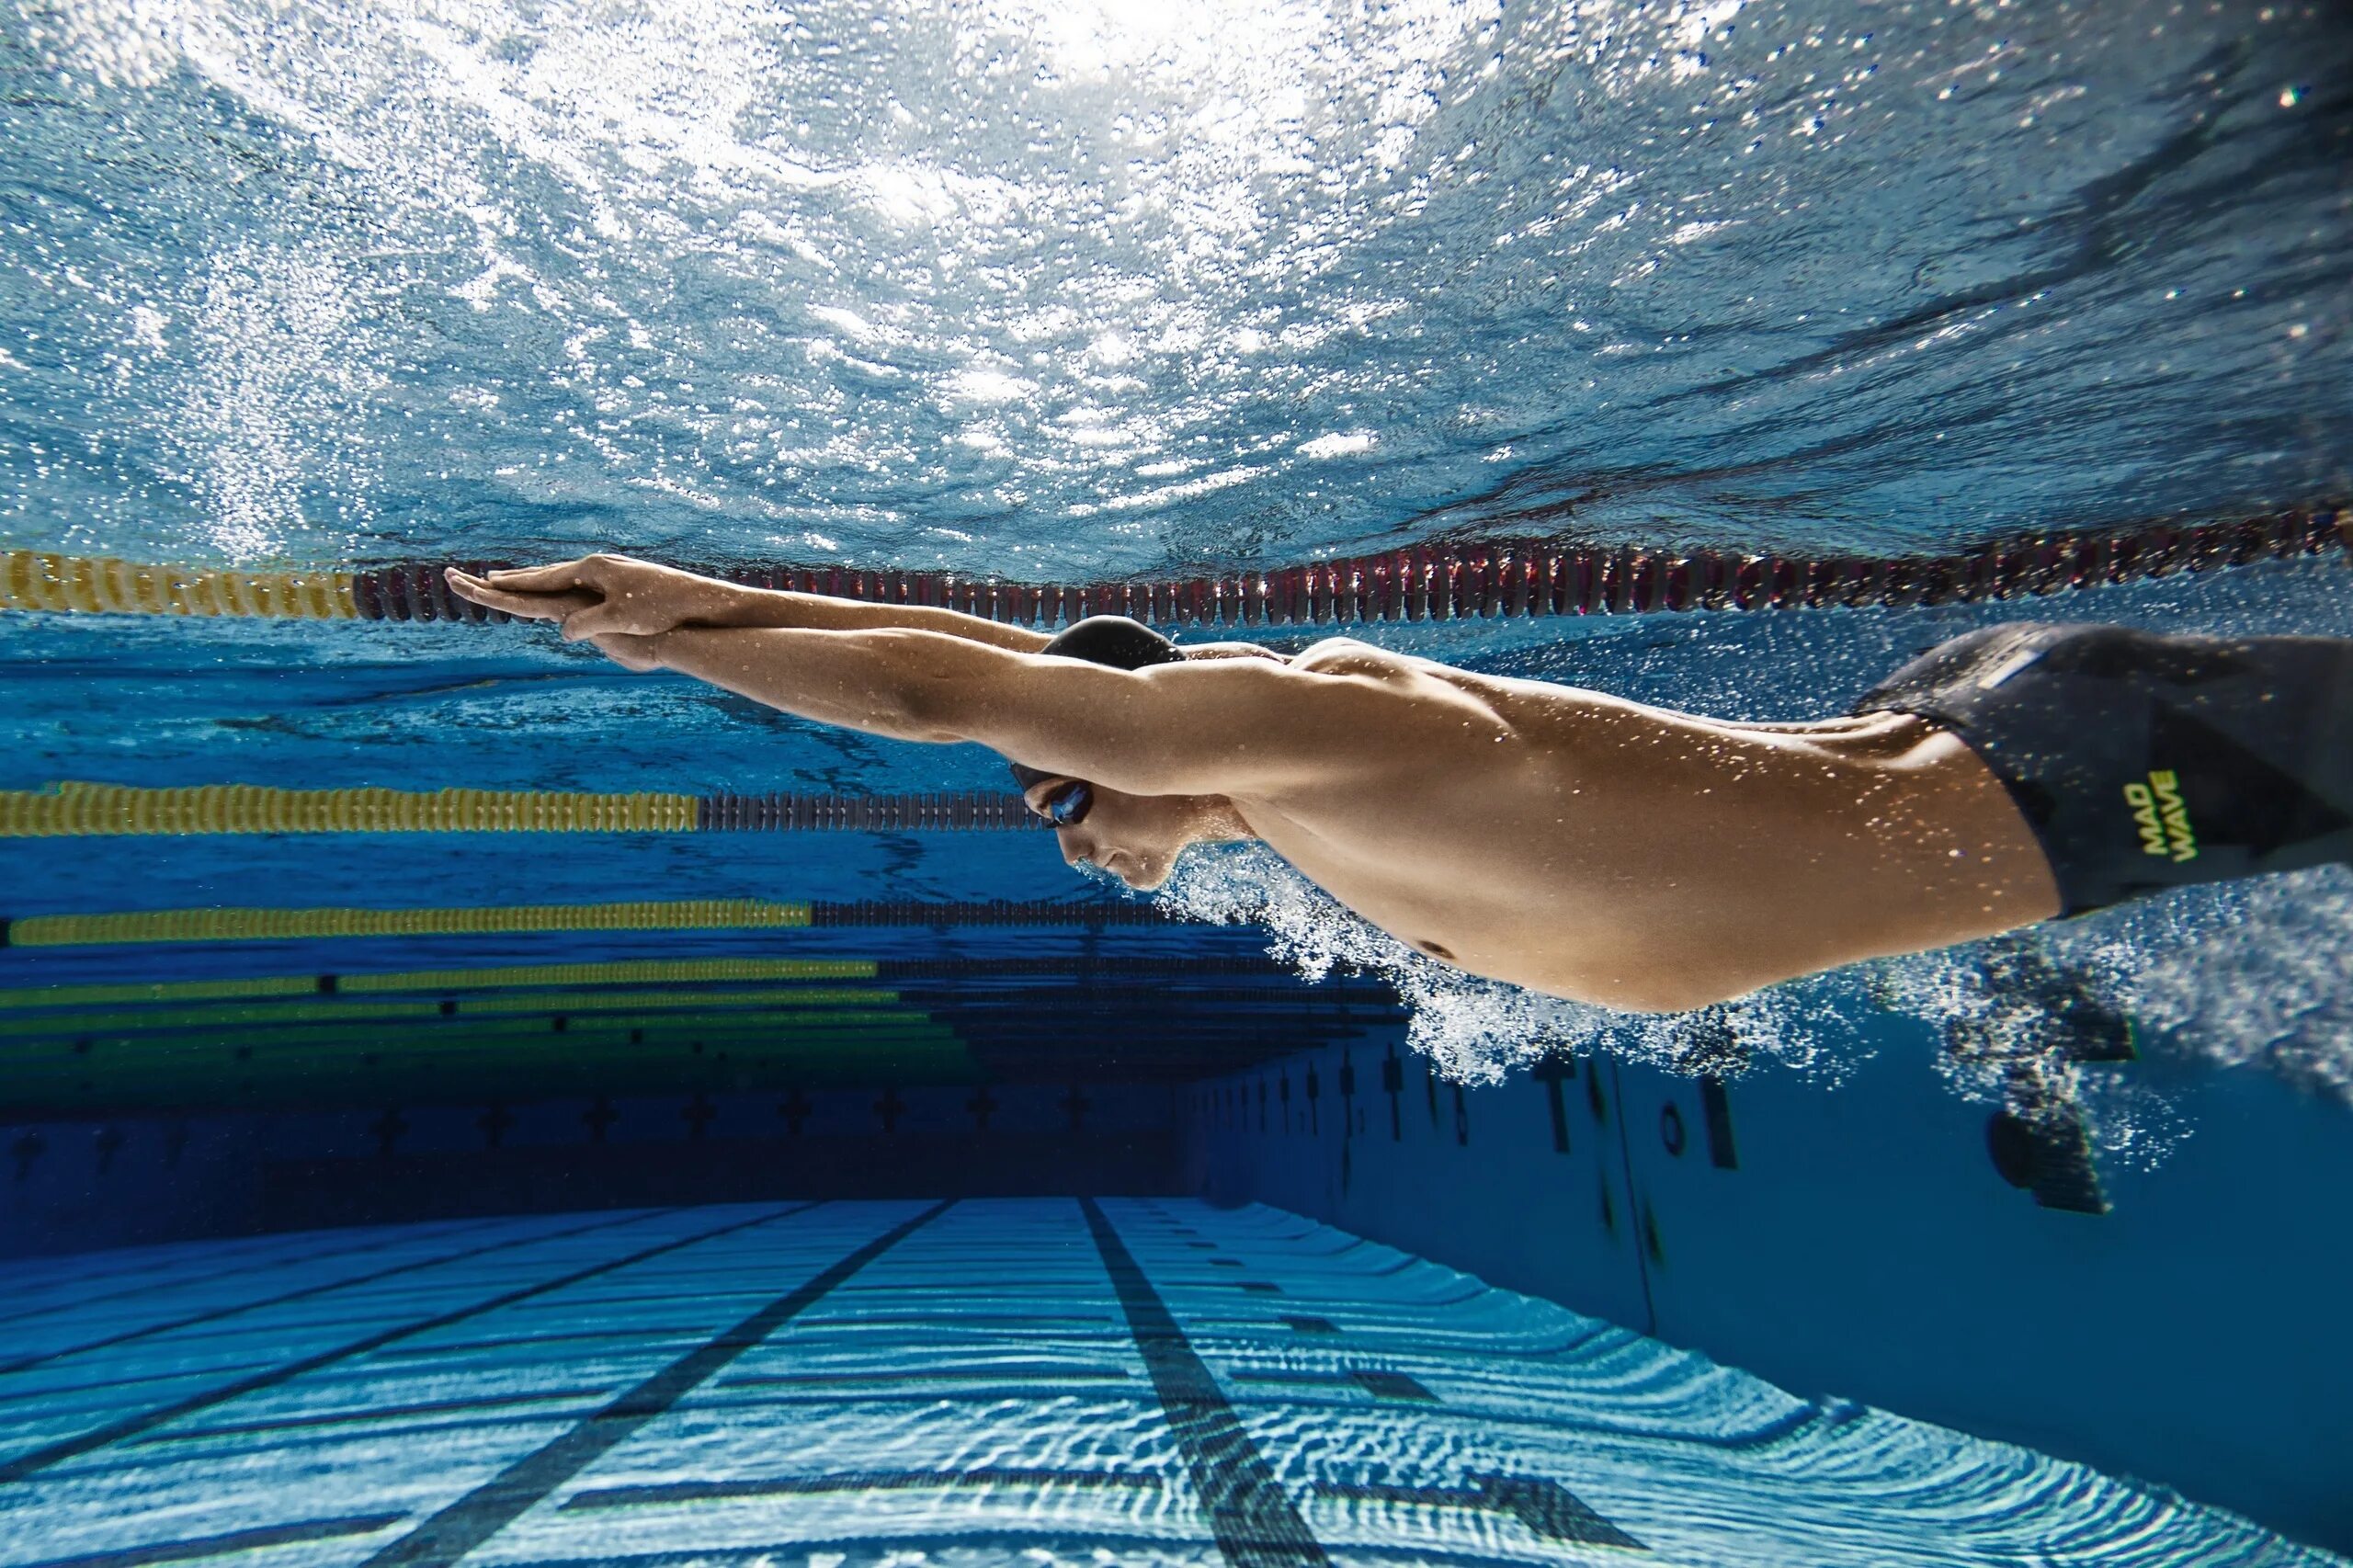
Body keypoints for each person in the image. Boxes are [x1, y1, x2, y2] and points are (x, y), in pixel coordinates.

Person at [446, 556, 2351, 1014]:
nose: (1090, 852)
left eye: (1066, 804)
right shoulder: (1304, 809)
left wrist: (677, 615)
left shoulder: (1329, 727)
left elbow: (950, 685)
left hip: (2111, 785)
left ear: (1121, 749)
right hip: (2006, 769)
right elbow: (1008, 687)